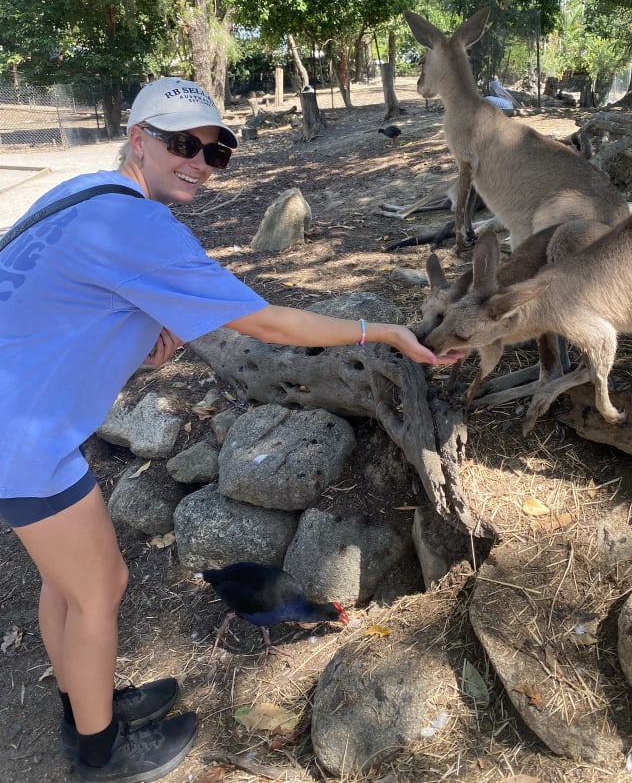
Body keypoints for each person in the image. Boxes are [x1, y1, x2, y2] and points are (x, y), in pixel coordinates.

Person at [0, 77, 456, 783]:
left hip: (19, 424)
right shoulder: (141, 227)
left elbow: (50, 291)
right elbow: (267, 321)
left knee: (67, 585)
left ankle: (83, 703)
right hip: (20, 439)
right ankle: (100, 752)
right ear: (138, 139)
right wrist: (380, 330)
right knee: (102, 586)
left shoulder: (80, 197)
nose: (198, 162)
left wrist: (137, 321)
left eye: (214, 152)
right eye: (181, 144)